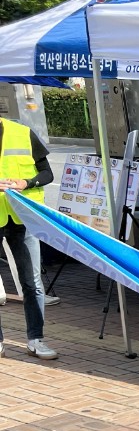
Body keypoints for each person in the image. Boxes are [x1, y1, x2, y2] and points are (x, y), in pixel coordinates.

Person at [0, 117, 57, 360]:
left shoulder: (22, 133)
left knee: (32, 282)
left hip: (23, 217)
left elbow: (47, 173)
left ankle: (36, 339)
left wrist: (26, 182)